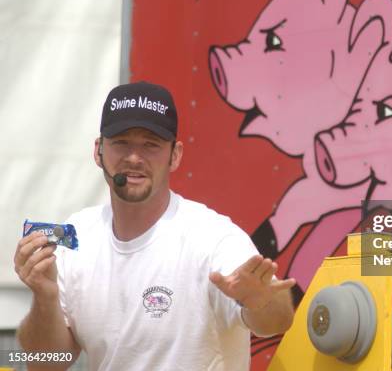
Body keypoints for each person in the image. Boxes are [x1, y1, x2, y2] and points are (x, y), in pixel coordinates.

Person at [13, 81, 295, 370]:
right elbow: (44, 364)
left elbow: (278, 320)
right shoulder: (77, 235)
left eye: (151, 145)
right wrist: (45, 296)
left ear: (175, 155)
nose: (134, 158)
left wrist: (259, 301)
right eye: (121, 142)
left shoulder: (213, 238)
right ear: (98, 151)